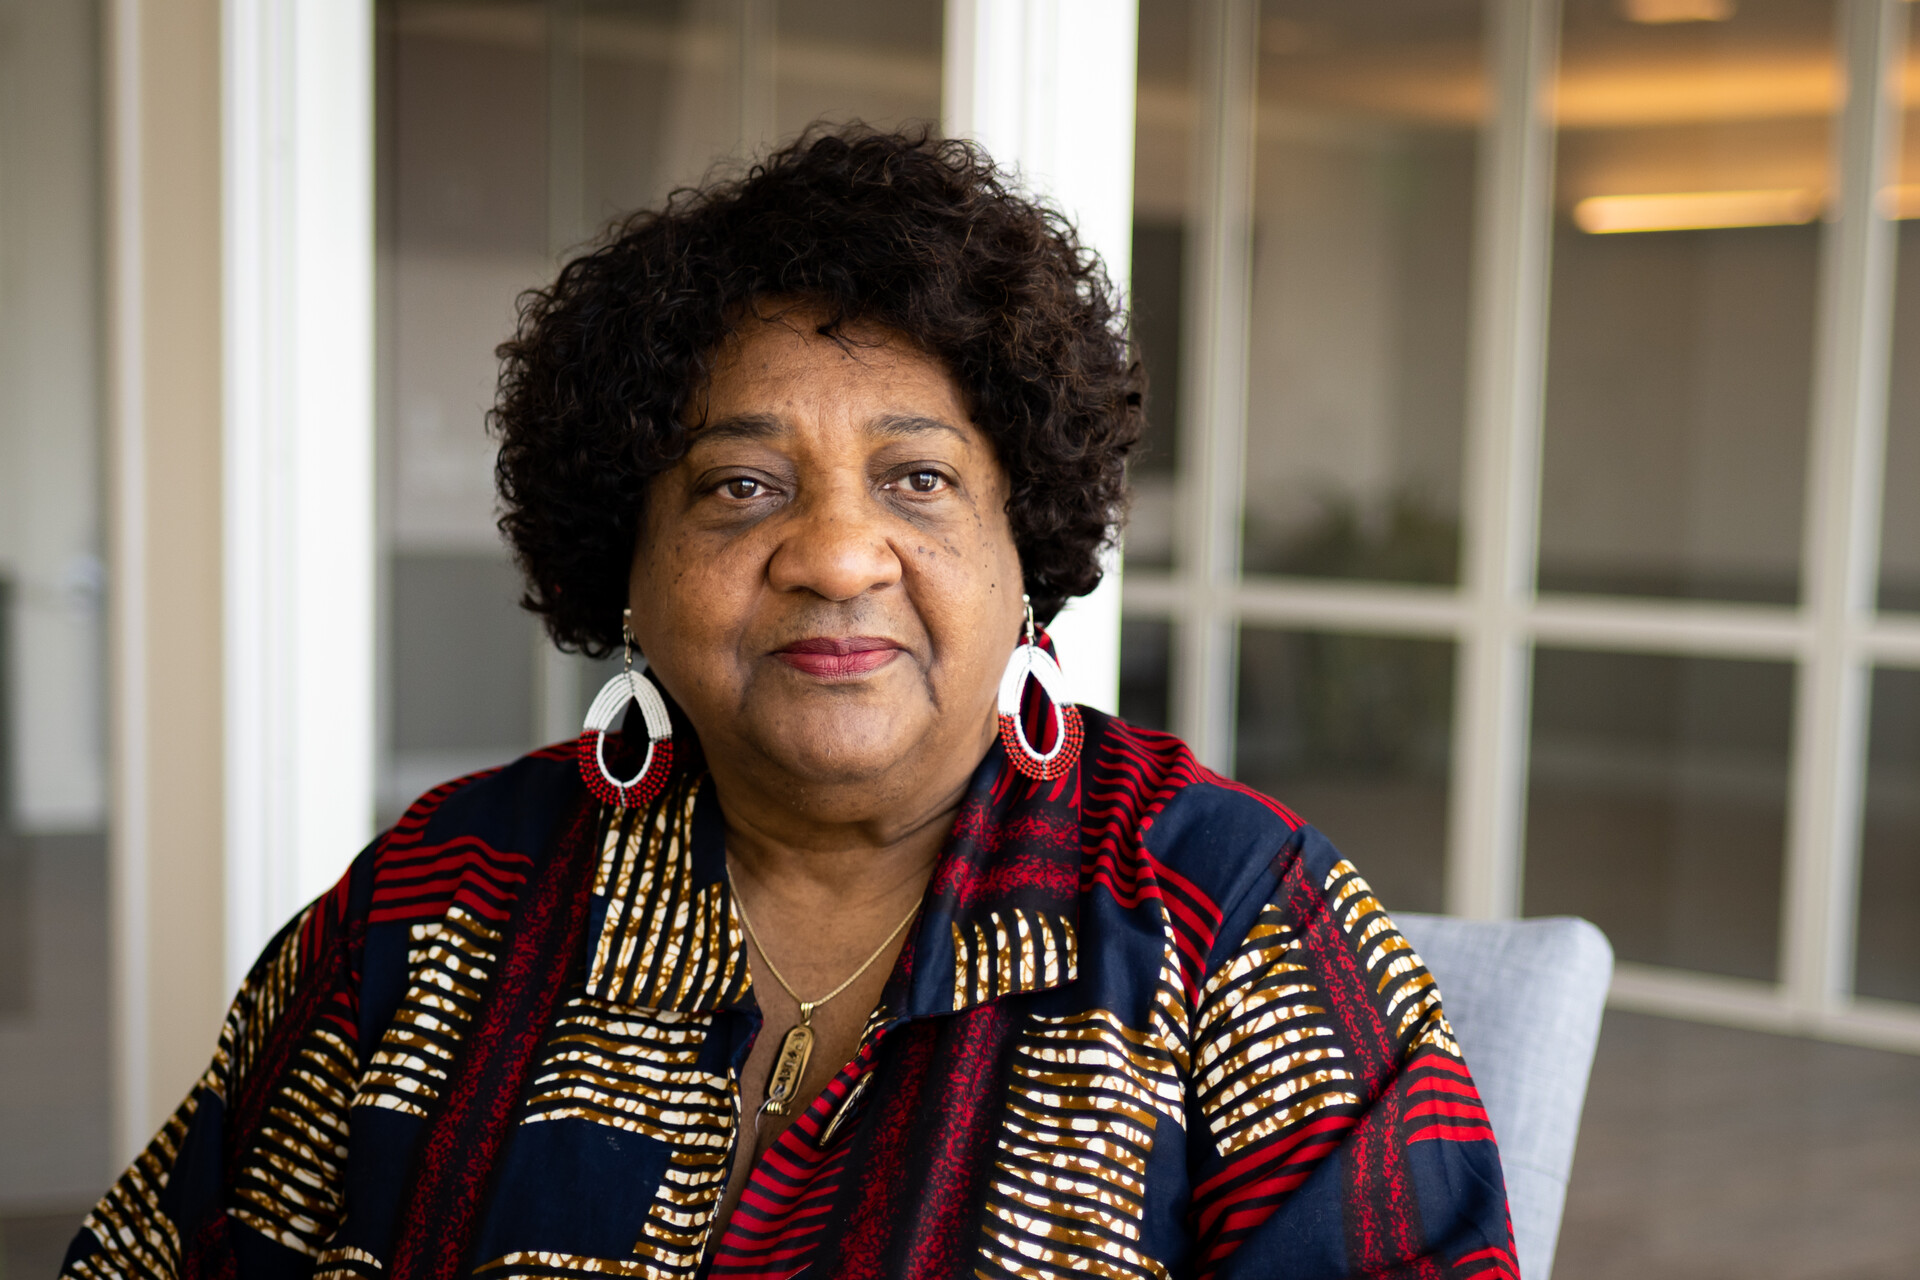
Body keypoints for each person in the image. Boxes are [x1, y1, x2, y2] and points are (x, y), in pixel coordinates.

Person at [64, 126, 1514, 1280]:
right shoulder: (441, 897)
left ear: (1028, 552)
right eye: (741, 486)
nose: (832, 555)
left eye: (919, 479)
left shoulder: (1222, 914)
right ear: (627, 567)